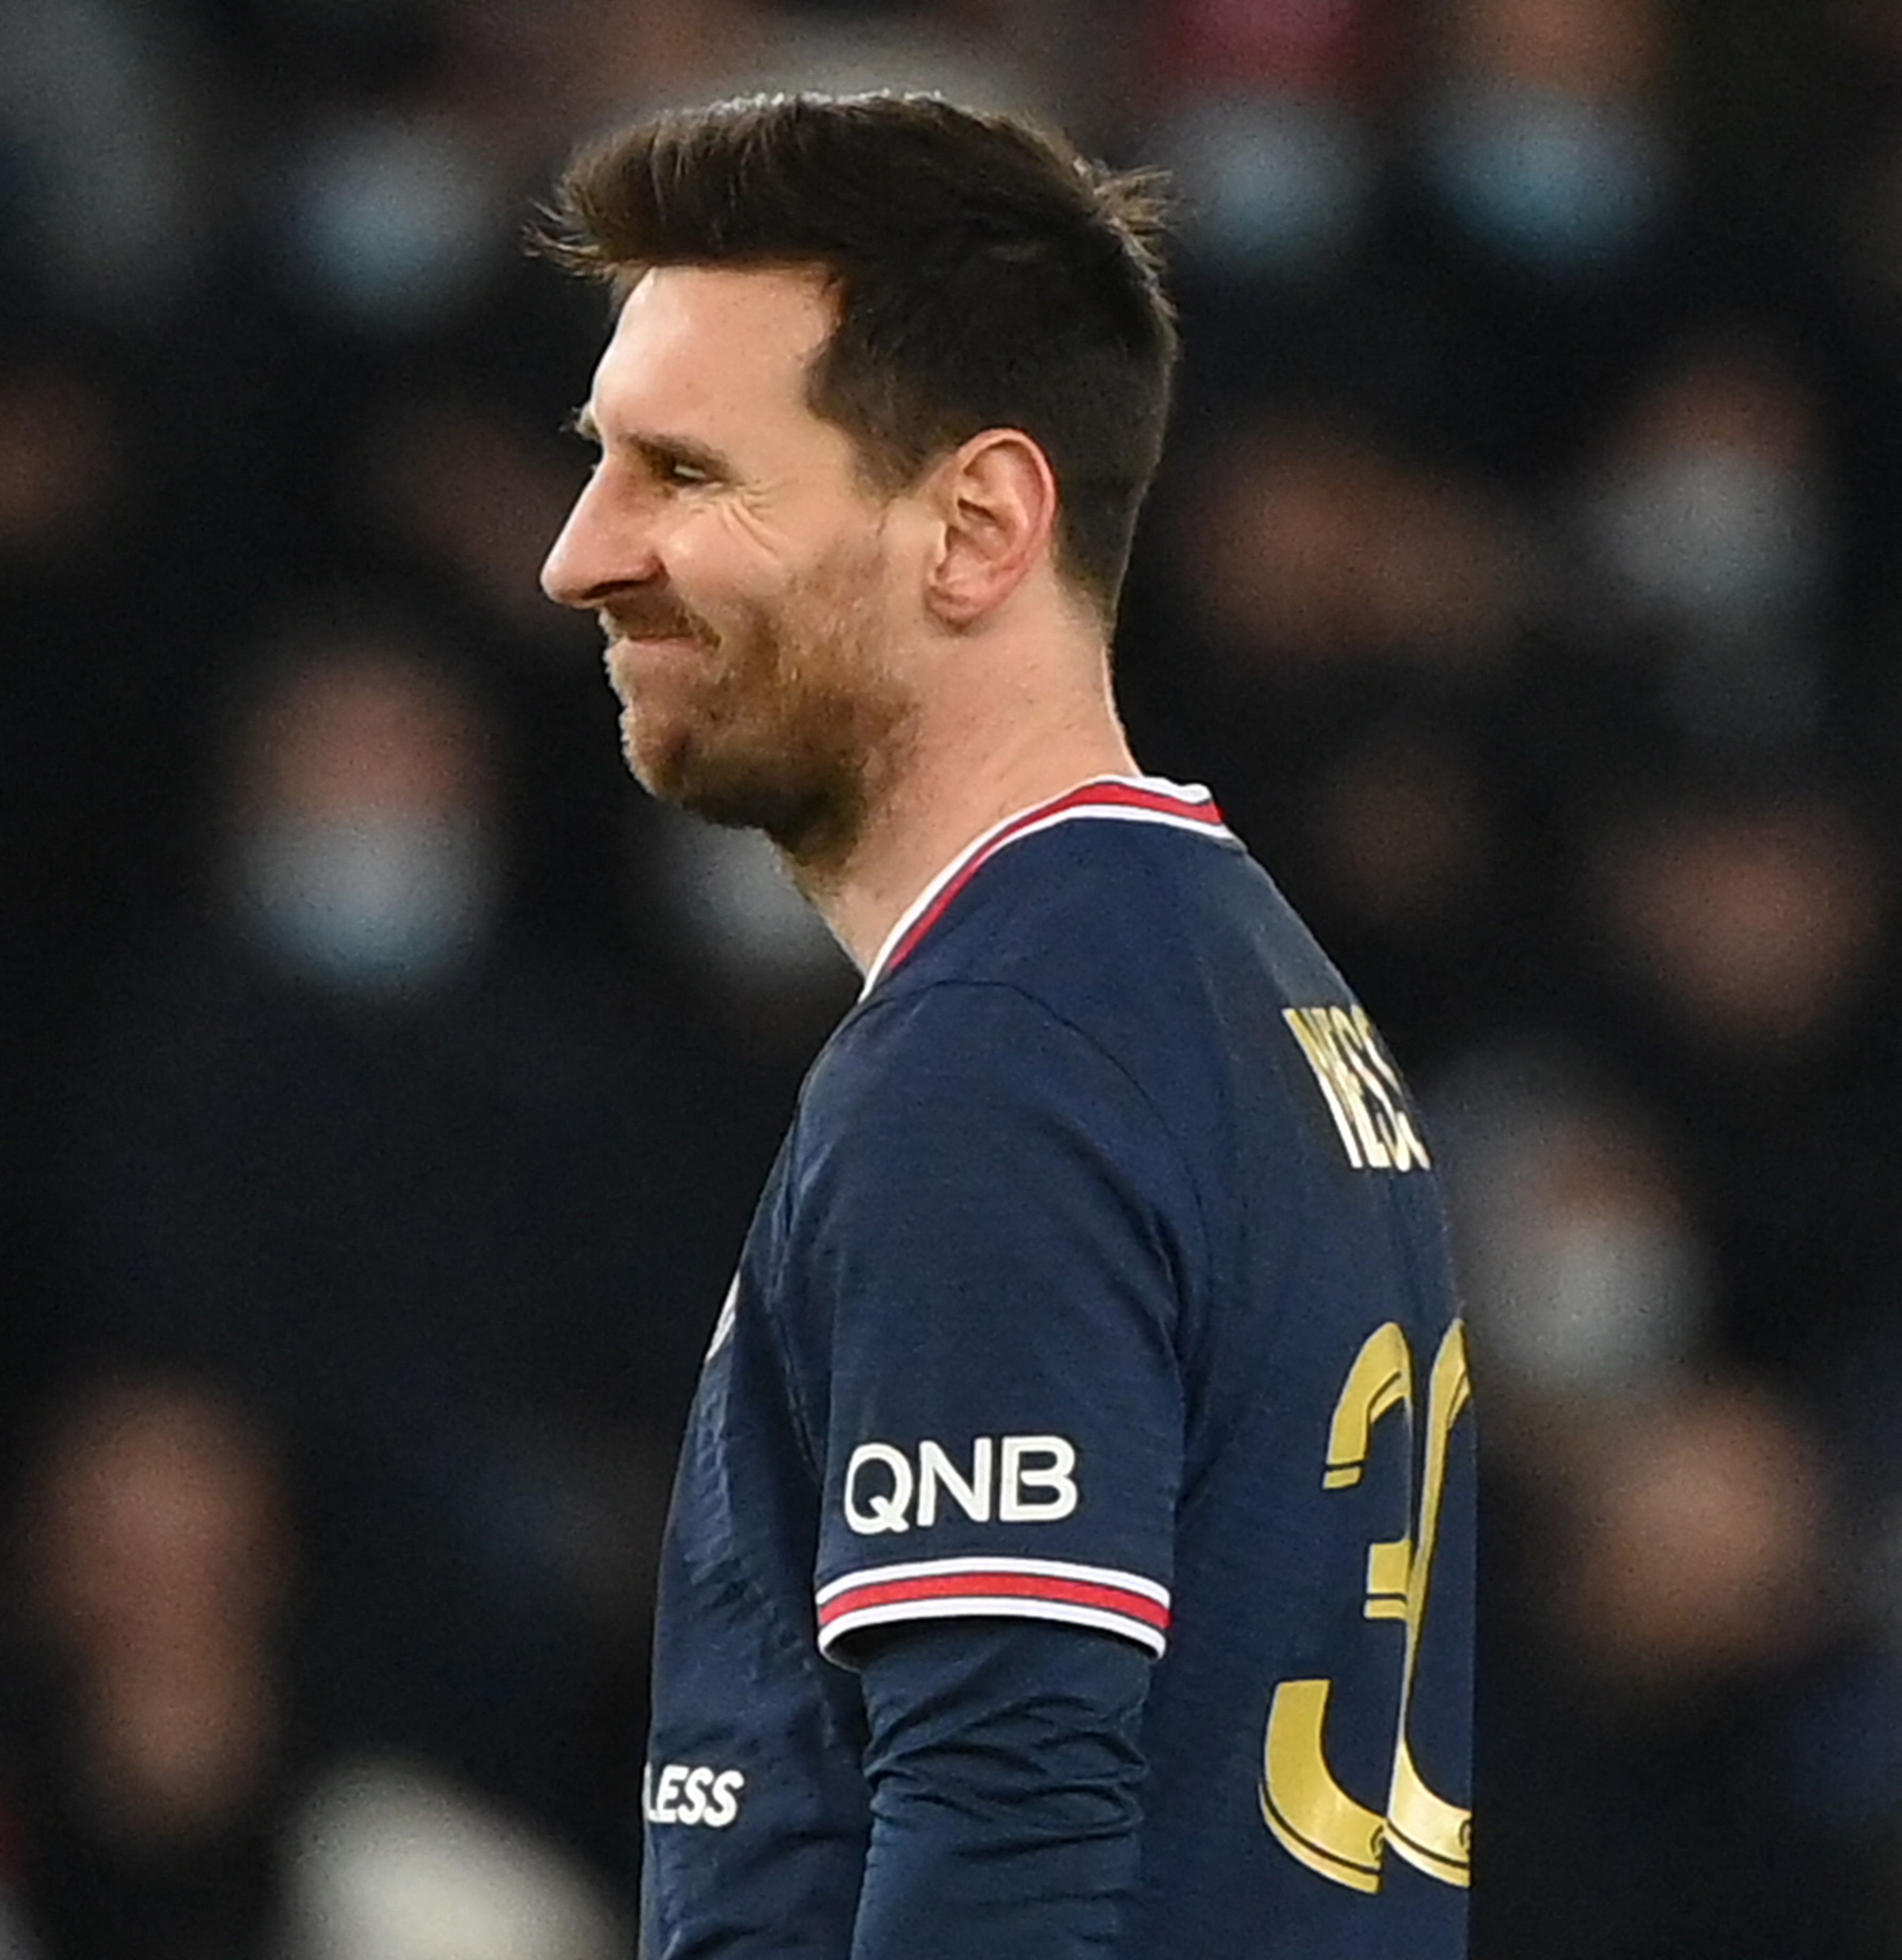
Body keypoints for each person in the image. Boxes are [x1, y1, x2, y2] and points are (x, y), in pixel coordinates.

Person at [532, 91, 1473, 1958]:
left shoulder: (1002, 1064)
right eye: (599, 463)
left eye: (684, 475)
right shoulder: (1236, 977)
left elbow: (1008, 1836)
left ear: (976, 523)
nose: (579, 554)